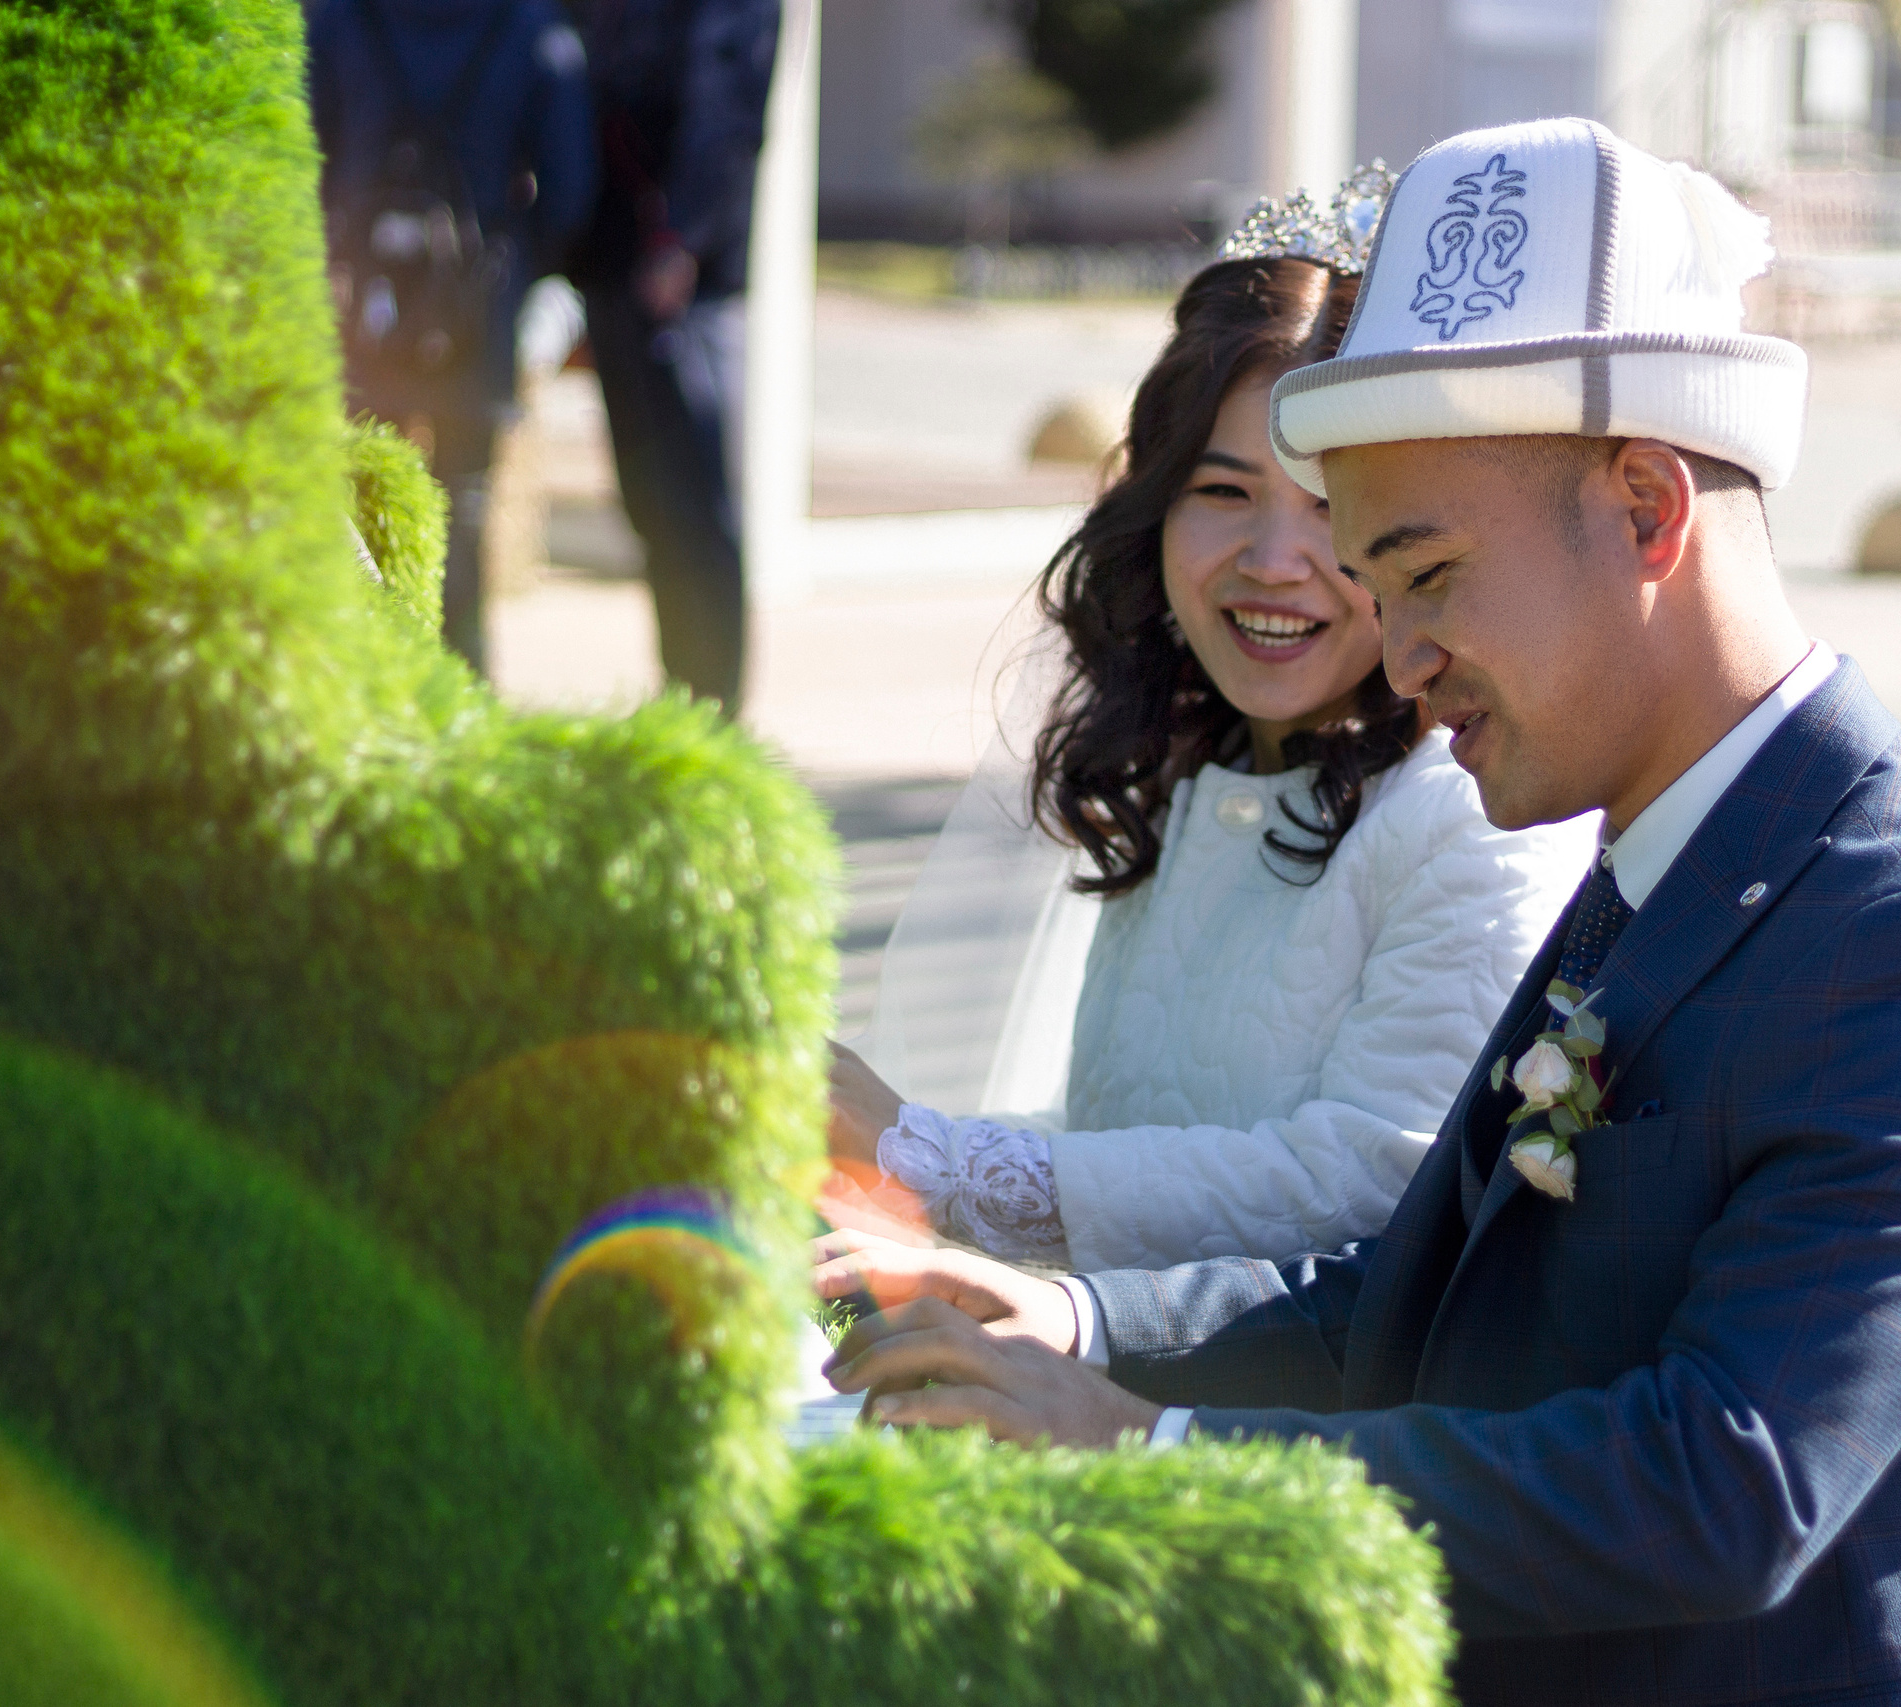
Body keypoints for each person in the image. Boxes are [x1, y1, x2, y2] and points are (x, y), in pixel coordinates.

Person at [812, 120, 1901, 1707]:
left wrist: (1149, 1443)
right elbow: (1411, 1294)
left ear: (1649, 505)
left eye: (1426, 573)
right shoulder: (1648, 860)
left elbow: (1723, 1485)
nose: (1404, 652)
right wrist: (1078, 1314)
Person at [820, 172, 1599, 1273]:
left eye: (1333, 509)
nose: (1273, 566)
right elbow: (1121, 1142)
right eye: (1223, 493)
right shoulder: (1194, 776)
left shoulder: (1476, 813)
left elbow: (1366, 1178)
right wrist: (880, 1176)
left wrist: (933, 1159)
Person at [309, 0, 597, 673]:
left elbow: (301, 155)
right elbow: (569, 189)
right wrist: (512, 258)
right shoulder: (532, 30)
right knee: (463, 512)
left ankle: (369, 686)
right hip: (478, 309)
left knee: (360, 502)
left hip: (364, 307)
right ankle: (460, 691)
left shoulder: (341, 20)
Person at [564, 0, 780, 712]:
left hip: (685, 279)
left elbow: (728, 100)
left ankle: (714, 713)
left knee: (700, 511)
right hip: (615, 262)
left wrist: (682, 239)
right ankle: (681, 702)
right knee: (651, 507)